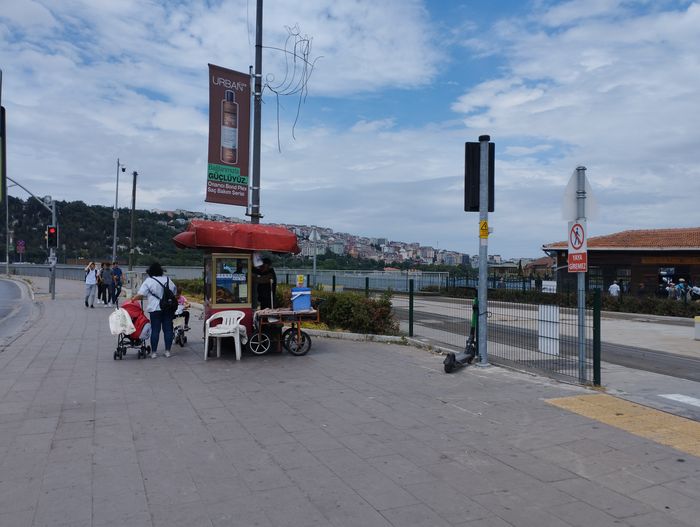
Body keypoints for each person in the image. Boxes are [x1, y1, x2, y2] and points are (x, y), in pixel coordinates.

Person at [129, 262, 177, 358]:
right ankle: (167, 351)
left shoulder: (149, 281)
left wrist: (133, 299)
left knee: (155, 330)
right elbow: (174, 292)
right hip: (168, 308)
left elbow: (141, 294)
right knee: (168, 330)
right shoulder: (168, 279)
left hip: (155, 309)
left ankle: (154, 352)